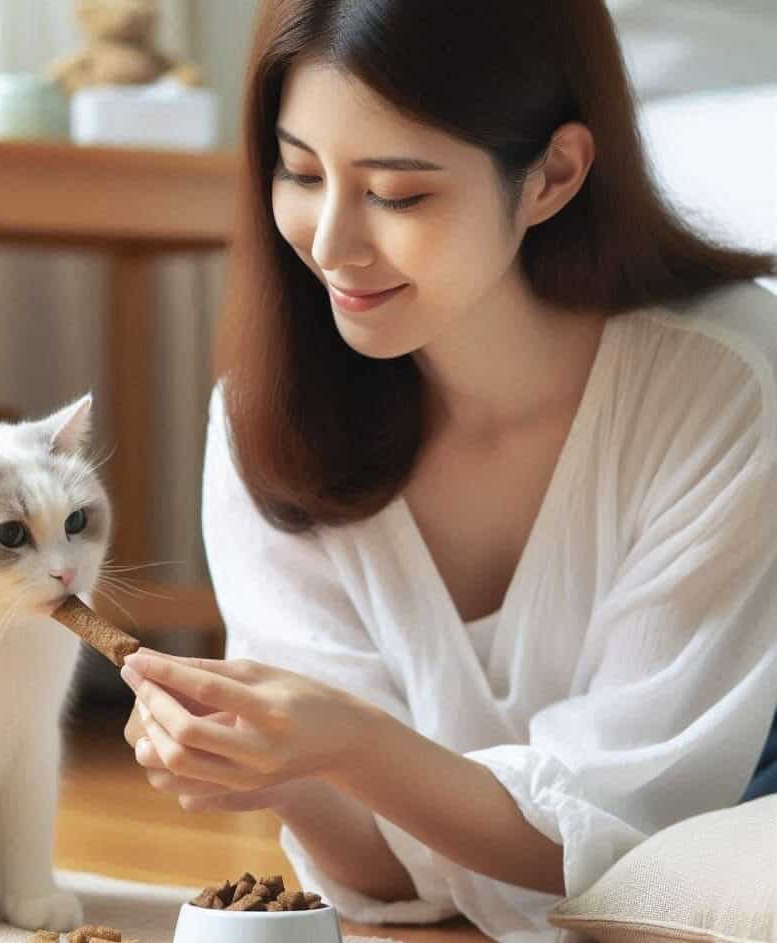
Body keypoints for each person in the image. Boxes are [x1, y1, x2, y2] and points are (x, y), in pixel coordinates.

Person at [118, 1, 777, 940]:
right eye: (300, 171)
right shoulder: (267, 417)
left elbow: (637, 839)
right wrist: (284, 768)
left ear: (551, 175)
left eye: (397, 192)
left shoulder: (724, 384)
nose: (331, 242)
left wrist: (347, 742)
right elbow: (395, 887)